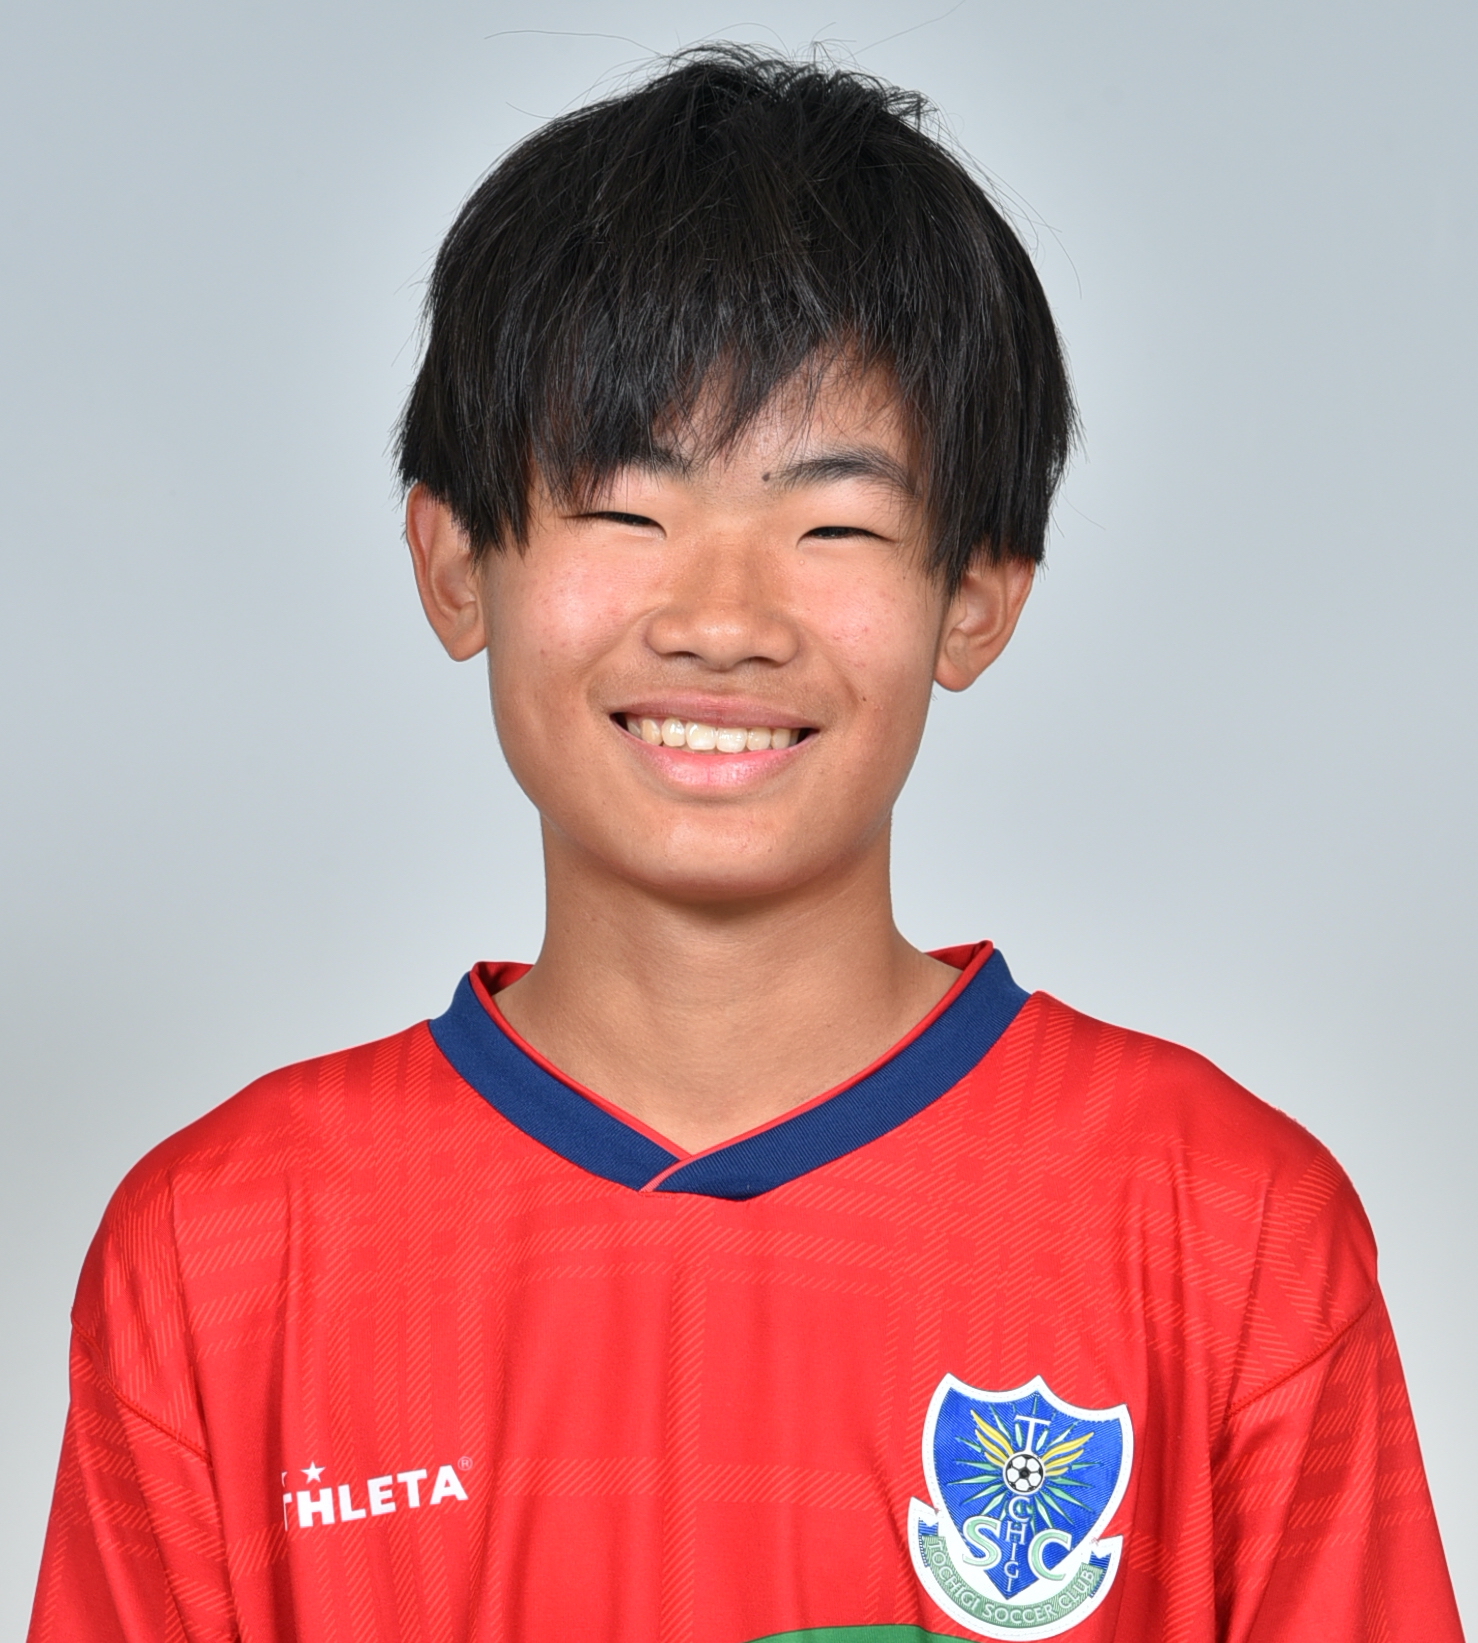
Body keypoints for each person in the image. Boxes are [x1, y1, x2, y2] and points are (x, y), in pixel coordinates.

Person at [27, 45, 1462, 1643]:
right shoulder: (225, 1252)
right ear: (454, 564)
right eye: (621, 511)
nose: (721, 620)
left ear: (975, 598)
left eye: (832, 523)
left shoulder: (1223, 1227)